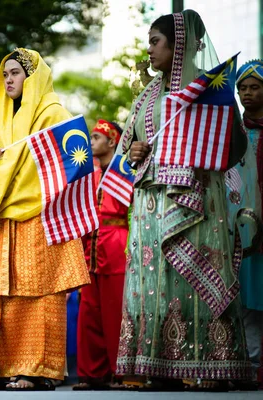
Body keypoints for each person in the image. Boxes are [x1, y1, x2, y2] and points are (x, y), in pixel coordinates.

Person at [116, 9, 250, 390]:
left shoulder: (207, 89)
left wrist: (201, 145)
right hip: (149, 203)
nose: (150, 51)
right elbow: (128, 148)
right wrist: (136, 151)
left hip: (196, 200)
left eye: (155, 43)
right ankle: (160, 365)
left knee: (191, 276)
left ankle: (211, 363)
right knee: (155, 280)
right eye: (148, 44)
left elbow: (234, 144)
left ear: (179, 45)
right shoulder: (147, 94)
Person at [0, 48, 91, 391]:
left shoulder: (55, 114)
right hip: (0, 218)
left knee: (38, 295)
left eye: (15, 73)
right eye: (4, 74)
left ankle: (36, 371)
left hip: (38, 217)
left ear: (32, 77)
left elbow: (70, 167)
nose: (7, 79)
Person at [74, 120, 129, 390]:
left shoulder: (124, 172)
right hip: (91, 248)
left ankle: (119, 373)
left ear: (112, 141)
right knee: (88, 314)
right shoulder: (90, 175)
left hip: (117, 247)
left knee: (114, 313)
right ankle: (91, 373)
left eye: (96, 137)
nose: (91, 141)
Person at [227, 59, 263, 389]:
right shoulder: (234, 134)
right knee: (249, 298)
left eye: (254, 87)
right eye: (242, 88)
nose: (246, 93)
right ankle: (251, 367)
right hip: (244, 230)